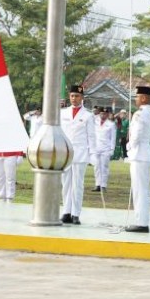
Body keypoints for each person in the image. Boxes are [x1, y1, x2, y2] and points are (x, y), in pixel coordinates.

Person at [59, 85, 96, 224]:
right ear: (69, 97)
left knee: (77, 184)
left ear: (82, 98)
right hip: (65, 153)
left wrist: (92, 155)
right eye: (72, 96)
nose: (74, 99)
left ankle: (76, 213)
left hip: (80, 153)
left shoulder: (88, 115)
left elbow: (91, 136)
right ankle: (66, 212)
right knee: (66, 184)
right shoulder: (63, 113)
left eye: (77, 96)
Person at [125, 85, 150, 233]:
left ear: (143, 98)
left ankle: (142, 222)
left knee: (140, 190)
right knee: (142, 189)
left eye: (137, 97)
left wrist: (129, 146)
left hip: (139, 153)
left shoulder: (140, 114)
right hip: (143, 154)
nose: (136, 99)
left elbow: (136, 134)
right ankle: (141, 220)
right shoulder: (147, 112)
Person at [92, 107, 116, 192]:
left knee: (104, 167)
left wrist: (112, 149)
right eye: (102, 113)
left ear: (108, 114)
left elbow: (113, 138)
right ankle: (97, 184)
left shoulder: (111, 124)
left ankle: (103, 185)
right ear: (99, 114)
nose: (103, 115)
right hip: (96, 147)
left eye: (105, 114)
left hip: (106, 148)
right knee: (96, 167)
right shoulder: (95, 122)